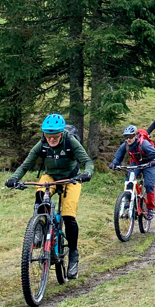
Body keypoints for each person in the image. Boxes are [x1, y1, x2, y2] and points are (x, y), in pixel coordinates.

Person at [6, 114, 94, 279]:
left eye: (55, 135)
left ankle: (73, 254)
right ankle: (39, 229)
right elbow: (25, 164)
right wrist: (14, 178)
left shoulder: (70, 141)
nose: (52, 139)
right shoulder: (42, 144)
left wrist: (87, 173)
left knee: (69, 216)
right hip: (51, 177)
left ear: (61, 133)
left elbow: (87, 161)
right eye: (48, 135)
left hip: (71, 179)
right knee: (40, 193)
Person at [110, 125, 155, 220]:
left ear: (136, 136)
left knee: (149, 185)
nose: (128, 139)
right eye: (126, 137)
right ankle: (128, 201)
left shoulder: (144, 144)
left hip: (149, 163)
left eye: (130, 136)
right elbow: (118, 156)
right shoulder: (126, 144)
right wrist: (114, 163)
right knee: (129, 180)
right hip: (136, 163)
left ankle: (150, 208)